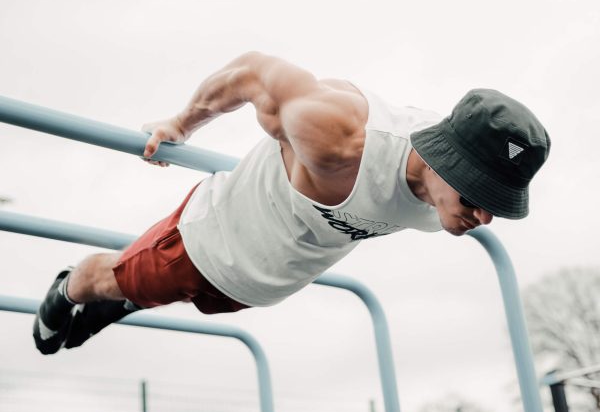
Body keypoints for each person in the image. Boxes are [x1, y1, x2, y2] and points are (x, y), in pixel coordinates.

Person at [33, 51, 551, 355]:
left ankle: (125, 300)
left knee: (182, 300)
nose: (482, 218)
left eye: (495, 205)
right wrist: (180, 124)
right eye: (475, 197)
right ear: (442, 161)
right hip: (207, 243)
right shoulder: (342, 139)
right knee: (119, 279)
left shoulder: (448, 193)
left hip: (265, 282)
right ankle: (71, 285)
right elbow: (257, 72)